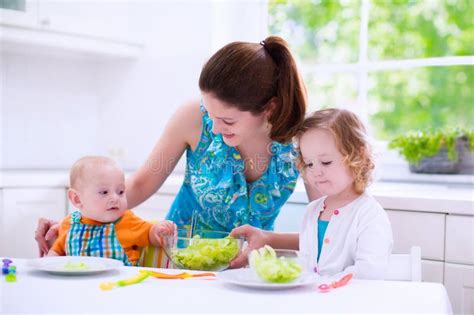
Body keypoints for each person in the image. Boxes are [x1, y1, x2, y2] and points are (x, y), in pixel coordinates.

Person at [35, 36, 309, 257]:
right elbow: (141, 184)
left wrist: (269, 240)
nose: (213, 128)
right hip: (175, 260)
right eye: (210, 115)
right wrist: (80, 221)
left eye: (226, 120)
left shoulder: (303, 141)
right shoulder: (192, 117)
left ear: (269, 109)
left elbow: (328, 223)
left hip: (250, 268)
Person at [231, 109, 393, 279]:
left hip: (348, 302)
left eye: (326, 162)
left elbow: (369, 272)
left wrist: (322, 285)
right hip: (312, 301)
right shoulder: (313, 210)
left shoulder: (369, 214)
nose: (316, 171)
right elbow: (307, 265)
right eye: (309, 164)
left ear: (358, 155)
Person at [47, 156, 175, 266]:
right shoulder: (69, 224)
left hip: (120, 286)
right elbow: (57, 251)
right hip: (80, 285)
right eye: (104, 192)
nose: (115, 198)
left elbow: (149, 233)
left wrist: (158, 231)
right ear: (76, 199)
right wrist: (49, 263)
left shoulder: (127, 220)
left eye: (120, 192)